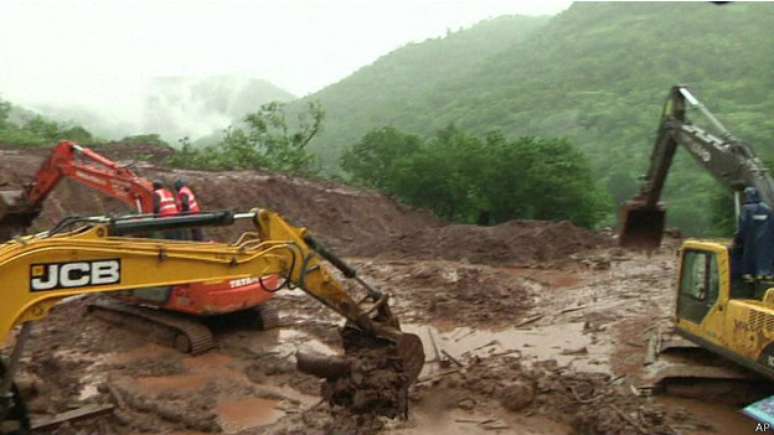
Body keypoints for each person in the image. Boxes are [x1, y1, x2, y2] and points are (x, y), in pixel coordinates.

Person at [732, 187, 774, 288]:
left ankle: (749, 274)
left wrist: (737, 239)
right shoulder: (767, 209)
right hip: (767, 242)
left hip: (751, 241)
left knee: (747, 257)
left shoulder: (746, 209)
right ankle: (765, 274)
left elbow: (743, 227)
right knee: (766, 257)